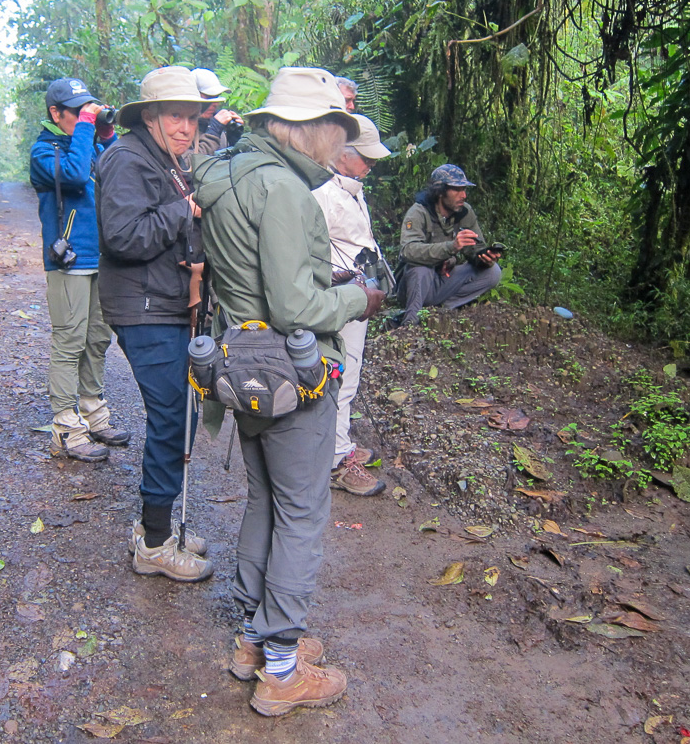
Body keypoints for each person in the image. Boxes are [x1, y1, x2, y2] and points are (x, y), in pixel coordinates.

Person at [191, 67, 386, 717]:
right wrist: (360, 295)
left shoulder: (227, 175)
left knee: (266, 502)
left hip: (239, 366)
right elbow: (294, 302)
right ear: (310, 129)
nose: (343, 143)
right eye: (340, 129)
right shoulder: (284, 191)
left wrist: (314, 270)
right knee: (301, 512)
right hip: (292, 374)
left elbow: (253, 271)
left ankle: (255, 638)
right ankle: (281, 668)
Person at [95, 67, 214, 583]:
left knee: (180, 414)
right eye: (175, 116)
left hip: (164, 304)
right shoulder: (126, 159)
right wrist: (184, 210)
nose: (186, 127)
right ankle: (156, 543)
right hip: (143, 310)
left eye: (192, 117)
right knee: (171, 417)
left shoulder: (166, 159)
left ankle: (156, 528)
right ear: (150, 116)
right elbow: (123, 236)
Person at [29, 78, 131, 462]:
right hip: (68, 260)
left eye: (86, 109)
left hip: (101, 258)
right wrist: (87, 128)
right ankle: (65, 429)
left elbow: (119, 174)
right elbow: (72, 176)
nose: (82, 116)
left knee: (97, 339)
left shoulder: (88, 143)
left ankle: (92, 411)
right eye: (76, 111)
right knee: (69, 341)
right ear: (55, 113)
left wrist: (105, 134)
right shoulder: (44, 151)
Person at [311, 115, 390, 498]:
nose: (370, 164)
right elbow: (310, 251)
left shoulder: (350, 188)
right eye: (365, 156)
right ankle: (337, 459)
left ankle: (337, 443)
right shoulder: (321, 192)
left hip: (359, 295)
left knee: (349, 371)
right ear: (342, 153)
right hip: (341, 296)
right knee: (340, 373)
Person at [396, 163, 503, 324]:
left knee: (493, 272)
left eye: (464, 190)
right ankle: (410, 321)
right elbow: (408, 251)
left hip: (443, 280)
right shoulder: (418, 212)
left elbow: (476, 249)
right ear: (440, 192)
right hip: (414, 286)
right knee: (420, 269)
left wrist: (485, 257)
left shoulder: (465, 212)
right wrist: (451, 247)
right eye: (457, 190)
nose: (463, 195)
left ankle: (444, 310)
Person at [192, 67, 244, 153]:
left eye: (216, 97)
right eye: (209, 98)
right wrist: (213, 131)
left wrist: (235, 140)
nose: (215, 103)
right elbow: (191, 161)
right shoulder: (184, 129)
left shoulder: (216, 122)